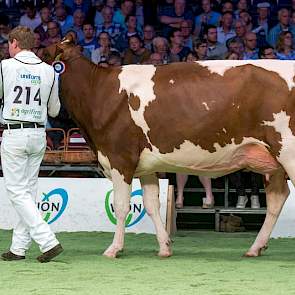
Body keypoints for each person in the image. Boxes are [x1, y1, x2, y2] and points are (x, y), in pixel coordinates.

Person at [0, 26, 63, 262]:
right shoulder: (49, 71)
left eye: (9, 44)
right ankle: (18, 248)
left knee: (17, 191)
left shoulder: (5, 67)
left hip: (14, 133)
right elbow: (54, 109)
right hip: (38, 134)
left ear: (15, 43)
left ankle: (48, 240)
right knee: (28, 191)